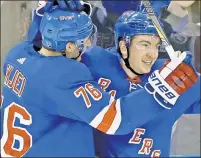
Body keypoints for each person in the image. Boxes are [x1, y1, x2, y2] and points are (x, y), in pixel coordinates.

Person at [2, 3, 198, 157]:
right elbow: (114, 119)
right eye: (83, 40)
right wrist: (163, 89)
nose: (88, 44)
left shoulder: (19, 54)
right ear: (123, 46)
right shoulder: (71, 72)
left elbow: (38, 40)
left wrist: (43, 12)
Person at [81, 10, 200, 157]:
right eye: (145, 44)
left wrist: (192, 73)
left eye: (156, 46)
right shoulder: (94, 62)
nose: (153, 54)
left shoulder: (173, 73)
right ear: (123, 47)